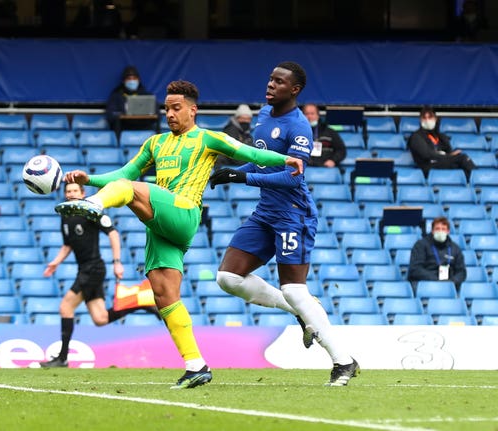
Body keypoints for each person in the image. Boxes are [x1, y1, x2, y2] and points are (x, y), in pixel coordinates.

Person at [55, 80, 304, 389]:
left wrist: (285, 159)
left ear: (192, 110)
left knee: (129, 191)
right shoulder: (155, 144)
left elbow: (250, 152)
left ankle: (92, 206)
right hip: (160, 222)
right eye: (166, 109)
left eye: (176, 108)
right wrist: (88, 177)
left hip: (184, 212)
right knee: (164, 296)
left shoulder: (209, 139)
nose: (170, 114)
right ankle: (196, 365)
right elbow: (123, 174)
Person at [208, 62, 359, 386]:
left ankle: (343, 361)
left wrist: (242, 176)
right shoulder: (263, 116)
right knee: (227, 278)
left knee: (294, 288)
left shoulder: (299, 126)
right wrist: (233, 169)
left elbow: (293, 177)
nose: (271, 84)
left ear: (295, 90)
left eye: (279, 81)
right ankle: (298, 311)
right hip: (266, 213)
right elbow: (263, 161)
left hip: (293, 213)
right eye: (270, 79)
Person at [40, 182, 157, 368]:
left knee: (65, 307)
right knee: (100, 319)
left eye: (74, 191)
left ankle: (62, 358)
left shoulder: (91, 211)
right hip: (85, 269)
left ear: (83, 193)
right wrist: (55, 262)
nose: (71, 194)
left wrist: (117, 262)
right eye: (68, 191)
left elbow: (113, 234)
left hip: (93, 269)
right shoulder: (65, 215)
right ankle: (140, 302)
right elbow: (67, 245)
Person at [407, 106, 477, 182]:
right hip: (427, 166)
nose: (427, 120)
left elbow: (449, 151)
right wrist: (448, 156)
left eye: (430, 117)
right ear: (420, 120)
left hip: (441, 162)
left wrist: (450, 155)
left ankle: (471, 184)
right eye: (424, 118)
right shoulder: (416, 136)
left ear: (435, 119)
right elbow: (426, 155)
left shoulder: (441, 136)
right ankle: (477, 180)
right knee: (463, 159)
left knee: (462, 160)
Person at [408, 217, 466, 291]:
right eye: (437, 229)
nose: (440, 231)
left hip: (448, 285)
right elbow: (415, 269)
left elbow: (461, 272)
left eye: (443, 229)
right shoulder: (421, 245)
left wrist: (452, 282)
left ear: (448, 231)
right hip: (426, 284)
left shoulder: (455, 248)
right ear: (432, 231)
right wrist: (435, 279)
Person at [105, 65, 158, 134]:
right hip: (124, 129)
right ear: (124, 81)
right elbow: (110, 114)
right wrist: (123, 114)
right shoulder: (116, 95)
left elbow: (157, 114)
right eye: (129, 79)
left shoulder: (147, 95)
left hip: (145, 127)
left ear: (138, 80)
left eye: (134, 78)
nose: (132, 81)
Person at [301, 103, 346, 168]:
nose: (309, 116)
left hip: (325, 168)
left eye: (312, 113)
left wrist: (333, 160)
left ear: (318, 115)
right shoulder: (296, 132)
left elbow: (341, 150)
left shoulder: (330, 132)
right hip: (304, 168)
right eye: (307, 114)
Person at [215, 104, 255, 170]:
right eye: (243, 118)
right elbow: (231, 151)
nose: (245, 121)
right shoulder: (231, 130)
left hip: (238, 161)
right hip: (226, 164)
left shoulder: (246, 132)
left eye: (248, 119)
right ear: (237, 118)